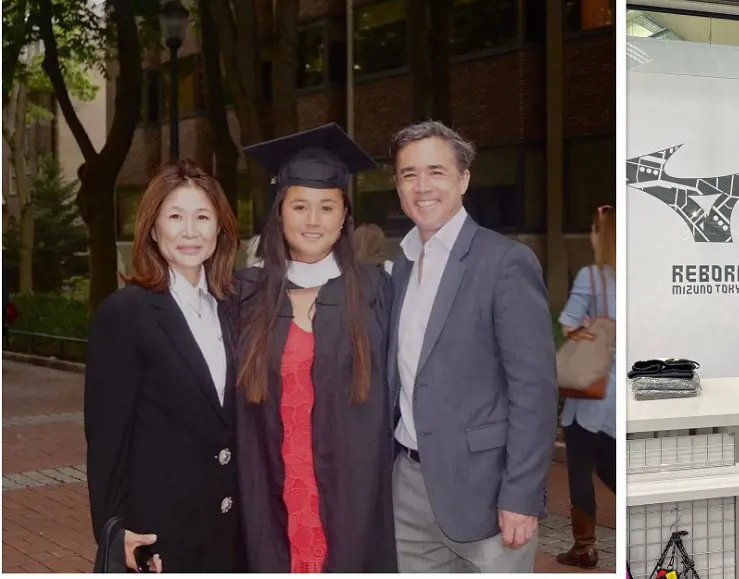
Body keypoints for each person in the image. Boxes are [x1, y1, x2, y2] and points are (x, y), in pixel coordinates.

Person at [387, 121, 558, 572]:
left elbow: (534, 390)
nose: (422, 187)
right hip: (407, 487)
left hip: (486, 494)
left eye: (436, 172)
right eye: (409, 175)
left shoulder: (504, 261)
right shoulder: (400, 266)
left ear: (464, 179)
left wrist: (521, 494)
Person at [230, 123, 397, 572]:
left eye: (327, 207)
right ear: (279, 212)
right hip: (269, 486)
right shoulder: (244, 295)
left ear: (345, 216)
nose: (313, 220)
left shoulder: (376, 291)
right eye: (299, 206)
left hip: (352, 497)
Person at [84, 160, 242, 573]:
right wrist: (114, 529)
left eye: (202, 217)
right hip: (158, 537)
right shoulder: (126, 313)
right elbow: (106, 442)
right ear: (153, 229)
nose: (190, 231)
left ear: (220, 228)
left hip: (230, 536)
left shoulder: (234, 310)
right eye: (175, 216)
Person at [555, 204, 616, 569]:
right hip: (617, 390)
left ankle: (585, 546)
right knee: (607, 461)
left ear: (601, 236)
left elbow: (566, 324)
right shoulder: (637, 277)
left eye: (594, 230)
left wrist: (587, 324)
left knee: (582, 466)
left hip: (590, 388)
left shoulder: (592, 277)